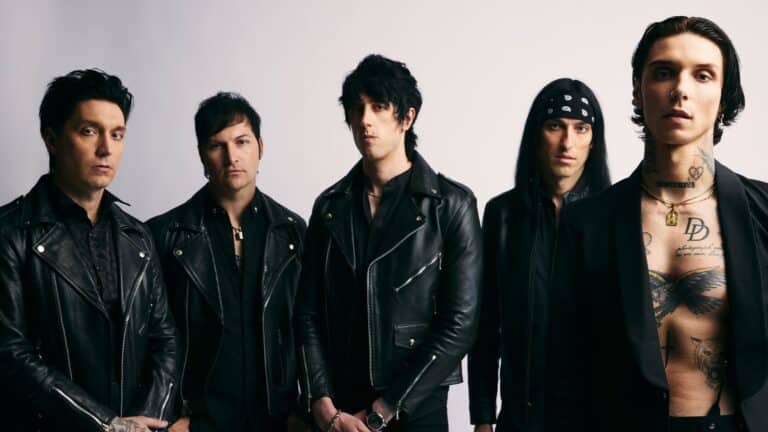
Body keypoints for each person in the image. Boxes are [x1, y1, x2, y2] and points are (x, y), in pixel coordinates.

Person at [545, 16, 764, 431]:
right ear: (637, 89)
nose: (681, 89)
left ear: (724, 97)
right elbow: (565, 372)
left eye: (702, 75)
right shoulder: (586, 224)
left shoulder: (762, 212)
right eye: (664, 72)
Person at [295, 54, 482, 432]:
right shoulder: (330, 208)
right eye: (357, 108)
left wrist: (385, 408)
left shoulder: (451, 206)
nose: (365, 120)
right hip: (340, 413)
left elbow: (460, 324)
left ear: (407, 117)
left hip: (416, 412)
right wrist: (322, 404)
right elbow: (307, 314)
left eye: (379, 107)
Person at [0, 69, 178, 432]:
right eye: (89, 131)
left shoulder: (138, 236)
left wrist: (144, 423)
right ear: (52, 139)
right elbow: (10, 353)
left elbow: (165, 340)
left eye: (117, 134)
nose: (106, 149)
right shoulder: (10, 233)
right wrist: (106, 424)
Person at [148, 92, 306, 432]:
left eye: (241, 142)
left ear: (260, 147)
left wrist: (303, 408)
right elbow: (154, 339)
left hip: (276, 421)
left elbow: (306, 328)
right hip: (199, 422)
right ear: (202, 156)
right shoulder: (165, 235)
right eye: (217, 145)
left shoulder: (292, 232)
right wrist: (172, 414)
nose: (232, 156)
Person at [468, 78, 610, 432]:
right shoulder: (503, 215)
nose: (567, 142)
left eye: (581, 128)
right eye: (555, 126)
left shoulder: (615, 215)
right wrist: (483, 418)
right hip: (521, 417)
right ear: (536, 134)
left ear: (593, 140)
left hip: (594, 417)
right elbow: (486, 325)